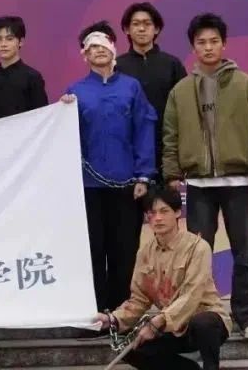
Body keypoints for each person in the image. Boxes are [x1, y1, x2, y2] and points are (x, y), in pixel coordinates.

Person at [163, 12, 248, 339]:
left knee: (244, 250)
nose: (208, 47)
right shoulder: (181, 91)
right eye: (202, 42)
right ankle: (202, 313)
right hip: (199, 185)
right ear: (193, 48)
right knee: (197, 254)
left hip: (238, 183)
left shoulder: (246, 85)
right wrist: (172, 173)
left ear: (224, 44)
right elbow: (170, 136)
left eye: (214, 41)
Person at [62, 21, 156, 312]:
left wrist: (143, 175)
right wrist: (62, 112)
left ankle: (121, 315)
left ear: (113, 50)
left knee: (124, 251)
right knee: (92, 250)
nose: (98, 51)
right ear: (85, 55)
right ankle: (95, 313)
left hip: (126, 184)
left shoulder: (131, 87)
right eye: (92, 47)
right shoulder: (75, 91)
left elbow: (144, 129)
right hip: (88, 186)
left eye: (103, 45)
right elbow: (64, 138)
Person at [94, 187, 231, 370]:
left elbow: (192, 295)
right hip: (171, 327)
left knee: (203, 323)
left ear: (177, 212)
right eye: (152, 213)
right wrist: (112, 319)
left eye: (164, 211)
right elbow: (139, 299)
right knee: (131, 347)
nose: (157, 218)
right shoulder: (145, 253)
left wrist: (158, 321)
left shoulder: (198, 247)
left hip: (204, 321)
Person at [116, 2, 186, 182]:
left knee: (164, 199)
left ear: (156, 29)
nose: (141, 29)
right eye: (136, 24)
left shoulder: (172, 64)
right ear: (126, 29)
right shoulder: (116, 66)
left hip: (166, 149)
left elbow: (185, 108)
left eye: (147, 24)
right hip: (128, 150)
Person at [0, 15, 48, 122]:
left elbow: (42, 118)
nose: (3, 44)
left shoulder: (32, 77)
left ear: (21, 41)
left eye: (9, 39)